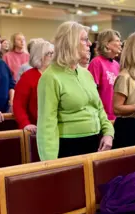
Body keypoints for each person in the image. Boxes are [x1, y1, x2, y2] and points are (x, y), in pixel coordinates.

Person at [37, 21, 114, 160]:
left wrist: (108, 133)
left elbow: (99, 108)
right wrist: (49, 164)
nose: (90, 44)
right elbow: (46, 124)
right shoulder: (50, 77)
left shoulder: (85, 73)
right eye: (85, 39)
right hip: (68, 146)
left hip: (95, 142)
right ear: (70, 42)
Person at [13, 40, 54, 133]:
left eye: (54, 53)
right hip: (35, 129)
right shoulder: (28, 77)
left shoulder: (55, 75)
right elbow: (18, 104)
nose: (53, 56)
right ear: (39, 56)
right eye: (50, 53)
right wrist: (25, 123)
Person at [88, 29, 122, 121]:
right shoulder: (96, 62)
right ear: (107, 44)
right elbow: (91, 92)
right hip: (102, 117)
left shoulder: (116, 64)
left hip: (116, 116)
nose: (120, 43)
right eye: (117, 41)